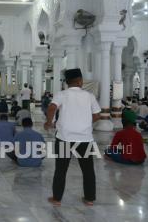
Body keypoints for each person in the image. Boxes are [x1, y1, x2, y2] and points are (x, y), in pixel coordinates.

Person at [44, 68, 101, 207]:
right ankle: (89, 199)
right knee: (88, 170)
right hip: (85, 140)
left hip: (64, 138)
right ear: (80, 81)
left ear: (67, 82)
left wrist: (49, 122)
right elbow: (97, 115)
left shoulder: (62, 94)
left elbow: (52, 108)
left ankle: (57, 199)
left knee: (61, 169)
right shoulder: (89, 96)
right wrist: (85, 123)